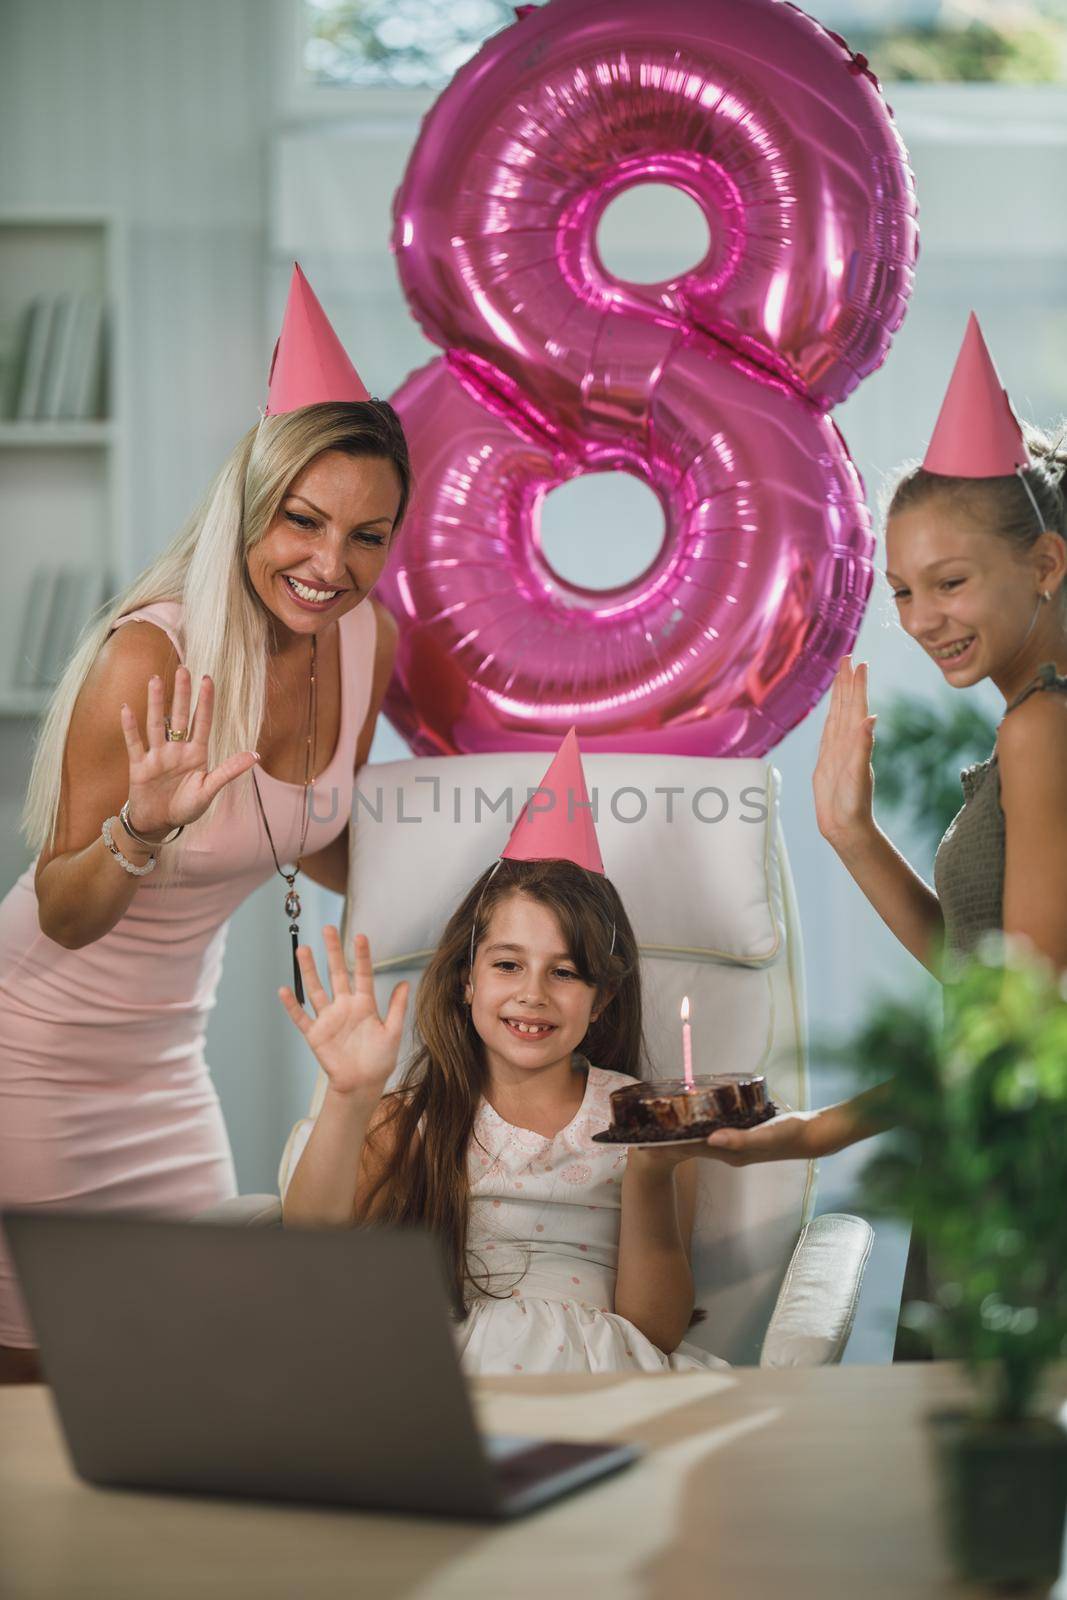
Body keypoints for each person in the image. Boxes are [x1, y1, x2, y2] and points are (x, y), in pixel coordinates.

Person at [0, 264, 411, 1382]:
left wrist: (466, 879)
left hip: (167, 1063)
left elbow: (308, 835)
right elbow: (65, 910)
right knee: (44, 1399)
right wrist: (141, 824)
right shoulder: (152, 653)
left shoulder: (364, 642)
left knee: (178, 1367)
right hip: (32, 1052)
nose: (330, 566)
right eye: (303, 521)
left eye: (367, 536)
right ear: (247, 509)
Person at [703, 313, 1067, 1178]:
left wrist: (821, 1131)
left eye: (950, 582)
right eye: (901, 591)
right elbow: (981, 970)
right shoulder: (1033, 722)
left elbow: (1027, 1014)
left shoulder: (1040, 728)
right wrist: (851, 834)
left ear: (1045, 564)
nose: (919, 620)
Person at [280, 730, 730, 1375]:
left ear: (601, 999)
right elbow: (313, 1241)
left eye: (566, 973)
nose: (533, 995)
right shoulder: (414, 1119)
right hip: (447, 1366)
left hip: (602, 1373)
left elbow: (654, 1330)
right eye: (509, 964)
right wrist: (351, 1096)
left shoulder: (650, 1121)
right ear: (468, 980)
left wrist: (651, 1171)